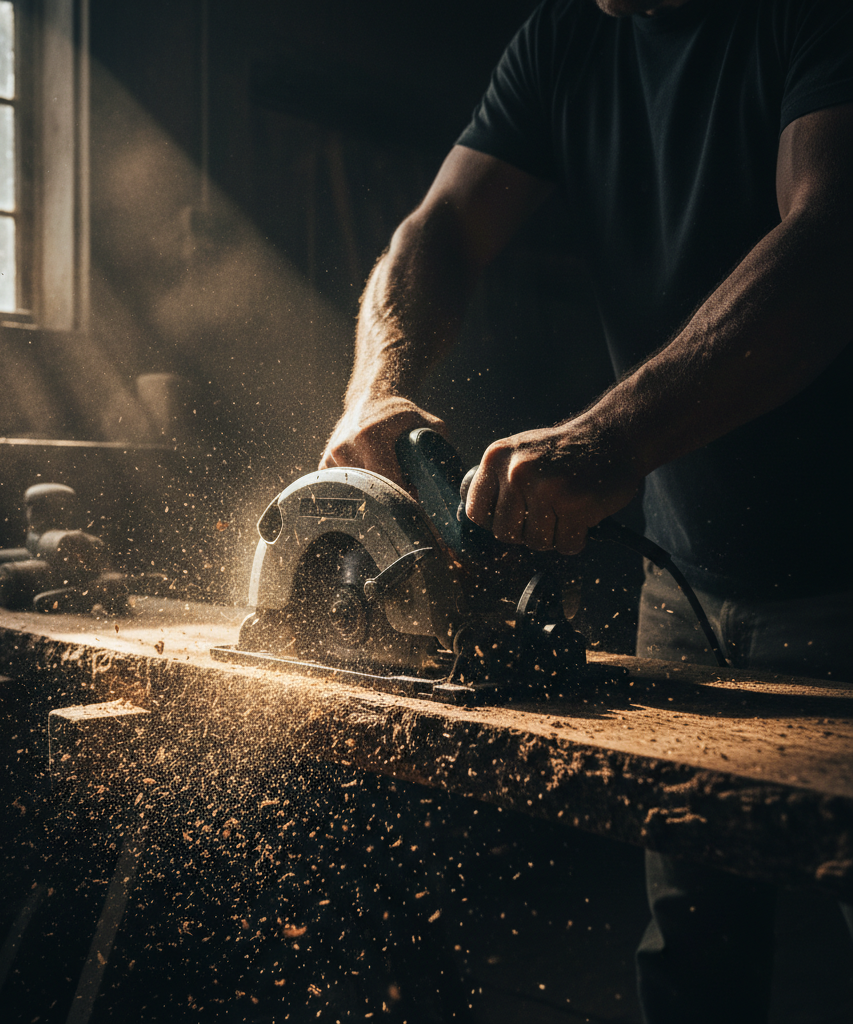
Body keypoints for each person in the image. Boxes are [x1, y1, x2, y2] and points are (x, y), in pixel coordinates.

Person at [318, 0, 852, 1019]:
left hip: (845, 572)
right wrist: (374, 389)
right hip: (688, 576)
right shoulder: (567, 35)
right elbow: (440, 229)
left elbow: (831, 239)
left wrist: (606, 443)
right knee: (695, 946)